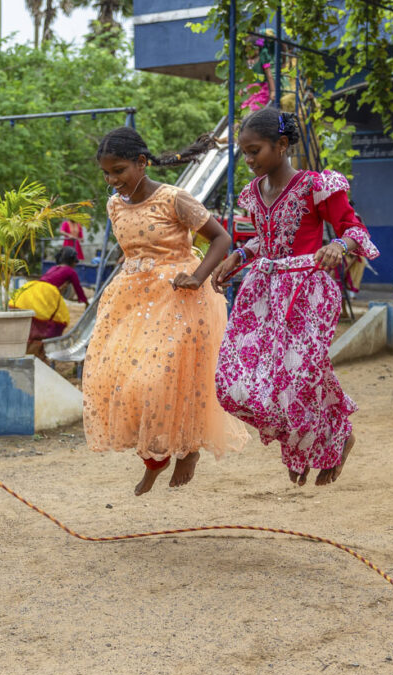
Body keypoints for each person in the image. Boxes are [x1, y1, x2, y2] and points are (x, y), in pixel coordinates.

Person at [211, 107, 379, 488]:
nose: (249, 160)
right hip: (261, 294)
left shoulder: (315, 186)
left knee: (298, 377)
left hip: (307, 292)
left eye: (255, 151)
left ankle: (318, 444)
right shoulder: (252, 194)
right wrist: (238, 256)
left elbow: (353, 227)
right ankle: (305, 440)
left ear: (281, 145)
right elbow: (263, 238)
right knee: (236, 384)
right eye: (245, 153)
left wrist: (338, 244)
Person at [83, 126, 249, 496]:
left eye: (119, 171)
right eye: (106, 174)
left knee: (158, 380)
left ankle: (188, 449)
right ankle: (154, 459)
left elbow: (222, 238)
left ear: (141, 163)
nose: (112, 180)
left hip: (180, 299)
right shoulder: (114, 205)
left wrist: (197, 276)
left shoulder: (175, 199)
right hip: (130, 301)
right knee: (120, 381)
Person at [9, 247, 89, 360]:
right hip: (47, 293)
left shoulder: (54, 268)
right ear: (72, 261)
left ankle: (29, 347)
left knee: (33, 318)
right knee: (60, 320)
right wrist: (86, 302)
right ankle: (44, 349)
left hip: (32, 288)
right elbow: (78, 288)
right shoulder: (70, 271)